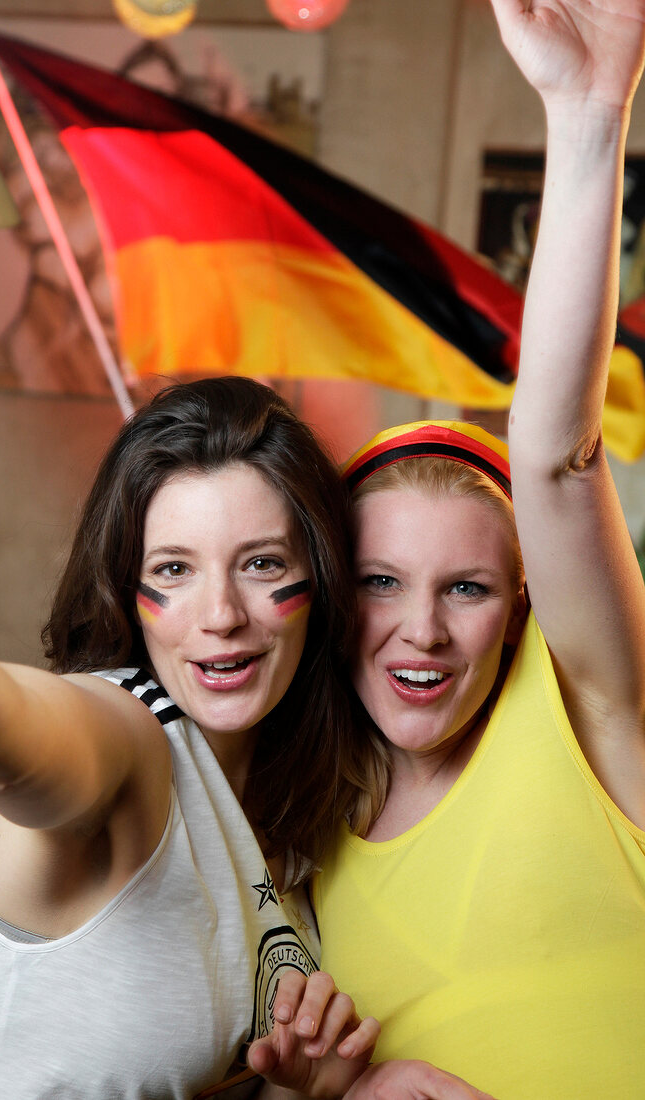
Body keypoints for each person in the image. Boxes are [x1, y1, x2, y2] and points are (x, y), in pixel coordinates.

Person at [310, 1, 645, 1097]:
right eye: (379, 581)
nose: (421, 627)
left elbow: (554, 458)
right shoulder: (297, 831)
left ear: (524, 603)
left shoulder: (590, 709)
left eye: (466, 585)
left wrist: (586, 116)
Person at [0, 376, 367, 1100]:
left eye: (262, 563)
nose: (220, 614)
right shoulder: (123, 737)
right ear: (127, 592)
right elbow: (4, 727)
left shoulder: (293, 826)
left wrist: (309, 1086)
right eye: (173, 570)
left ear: (321, 578)